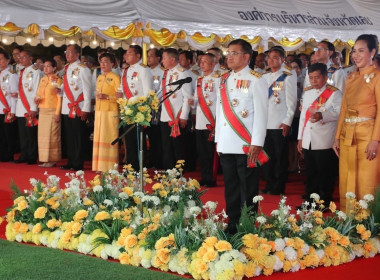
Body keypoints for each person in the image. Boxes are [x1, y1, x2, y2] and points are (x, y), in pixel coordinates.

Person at [215, 39, 268, 234]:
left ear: (247, 57)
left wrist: (257, 142)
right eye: (228, 53)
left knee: (248, 186)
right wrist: (218, 141)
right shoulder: (224, 79)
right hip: (227, 142)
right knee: (231, 186)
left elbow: (262, 114)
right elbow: (220, 112)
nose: (229, 57)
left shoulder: (256, 79)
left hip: (246, 143)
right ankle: (233, 222)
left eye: (234, 53)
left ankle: (248, 223)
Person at [333, 34, 380, 211]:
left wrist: (376, 140)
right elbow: (344, 109)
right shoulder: (351, 77)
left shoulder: (377, 77)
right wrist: (336, 136)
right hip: (347, 135)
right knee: (346, 178)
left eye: (361, 51)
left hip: (368, 136)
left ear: (373, 52)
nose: (356, 55)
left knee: (367, 182)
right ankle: (349, 222)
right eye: (354, 51)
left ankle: (368, 227)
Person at [298, 63, 342, 205]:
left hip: (324, 139)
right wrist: (300, 138)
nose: (314, 81)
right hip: (308, 139)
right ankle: (310, 200)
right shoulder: (308, 92)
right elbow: (303, 117)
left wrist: (322, 115)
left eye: (317, 77)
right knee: (310, 172)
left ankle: (324, 202)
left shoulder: (335, 93)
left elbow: (340, 113)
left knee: (325, 173)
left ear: (325, 77)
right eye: (311, 78)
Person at [262, 46, 297, 195]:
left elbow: (292, 101)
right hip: (265, 123)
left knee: (280, 157)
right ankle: (269, 183)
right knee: (268, 157)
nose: (271, 60)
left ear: (283, 59)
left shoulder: (287, 76)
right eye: (269, 57)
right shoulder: (264, 77)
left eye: (275, 57)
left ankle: (278, 186)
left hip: (279, 123)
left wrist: (287, 121)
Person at [118, 45, 153, 170]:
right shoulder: (126, 70)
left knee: (138, 141)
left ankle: (138, 167)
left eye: (130, 53)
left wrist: (145, 111)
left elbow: (148, 91)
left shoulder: (143, 69)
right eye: (126, 53)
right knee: (129, 140)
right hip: (128, 110)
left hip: (139, 110)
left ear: (138, 56)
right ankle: (130, 167)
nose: (126, 55)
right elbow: (123, 88)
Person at [60, 44, 92, 171]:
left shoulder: (82, 68)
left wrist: (86, 108)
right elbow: (66, 86)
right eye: (66, 52)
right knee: (69, 136)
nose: (67, 54)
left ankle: (78, 162)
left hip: (78, 106)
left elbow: (87, 89)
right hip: (67, 107)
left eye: (70, 52)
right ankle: (71, 160)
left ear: (77, 54)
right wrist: (60, 90)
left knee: (78, 136)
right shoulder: (67, 68)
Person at [160, 48, 192, 170]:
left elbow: (187, 97)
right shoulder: (166, 72)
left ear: (172, 59)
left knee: (177, 147)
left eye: (164, 58)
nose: (162, 61)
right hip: (165, 115)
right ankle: (168, 170)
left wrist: (184, 116)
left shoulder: (183, 73)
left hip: (176, 116)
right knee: (166, 146)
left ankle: (178, 173)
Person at [189, 52, 218, 187]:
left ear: (213, 64)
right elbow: (197, 99)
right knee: (202, 152)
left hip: (211, 120)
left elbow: (220, 101)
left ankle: (211, 178)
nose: (202, 64)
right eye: (201, 61)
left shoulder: (218, 79)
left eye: (205, 61)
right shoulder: (199, 79)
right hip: (200, 121)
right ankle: (204, 176)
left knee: (210, 152)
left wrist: (217, 121)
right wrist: (192, 101)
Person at [92, 53, 121, 172]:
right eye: (101, 61)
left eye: (106, 61)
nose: (103, 64)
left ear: (112, 64)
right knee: (99, 137)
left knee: (109, 137)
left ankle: (109, 167)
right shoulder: (99, 77)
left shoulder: (115, 77)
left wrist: (108, 97)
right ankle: (99, 166)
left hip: (110, 111)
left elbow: (119, 96)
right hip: (99, 111)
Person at [15, 50, 42, 164]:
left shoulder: (35, 71)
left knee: (31, 133)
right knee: (23, 134)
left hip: (30, 106)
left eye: (23, 57)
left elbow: (36, 90)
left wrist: (33, 108)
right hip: (21, 106)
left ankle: (32, 156)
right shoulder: (21, 71)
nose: (21, 59)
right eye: (19, 57)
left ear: (30, 58)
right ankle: (24, 154)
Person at [35, 58, 62, 167]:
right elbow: (38, 94)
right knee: (43, 136)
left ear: (54, 68)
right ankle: (44, 159)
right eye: (44, 66)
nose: (45, 68)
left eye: (48, 66)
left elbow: (60, 98)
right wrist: (37, 100)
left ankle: (53, 159)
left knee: (53, 136)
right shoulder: (42, 80)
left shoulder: (57, 80)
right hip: (42, 110)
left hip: (52, 110)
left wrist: (57, 113)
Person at [146, 48, 164, 168]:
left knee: (157, 136)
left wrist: (154, 101)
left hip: (157, 107)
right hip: (146, 107)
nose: (148, 58)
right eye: (148, 56)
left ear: (158, 58)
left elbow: (162, 90)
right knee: (150, 135)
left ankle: (158, 160)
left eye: (151, 56)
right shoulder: (145, 71)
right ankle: (151, 159)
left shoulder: (162, 72)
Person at [0, 50, 18, 162]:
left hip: (7, 108)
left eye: (1, 59)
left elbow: (14, 94)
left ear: (8, 60)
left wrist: (13, 110)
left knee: (9, 134)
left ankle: (9, 154)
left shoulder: (11, 75)